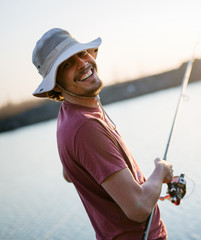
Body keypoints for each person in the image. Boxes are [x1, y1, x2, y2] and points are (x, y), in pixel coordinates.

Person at [32, 28, 173, 240]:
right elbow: (138, 207)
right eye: (67, 64)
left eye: (81, 53)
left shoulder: (72, 114)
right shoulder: (85, 127)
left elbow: (69, 174)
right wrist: (161, 170)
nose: (82, 63)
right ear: (56, 84)